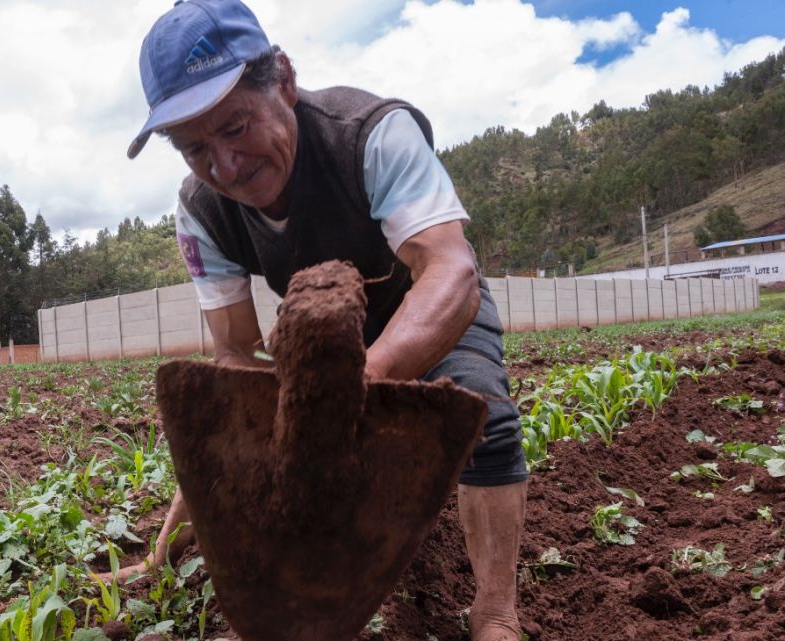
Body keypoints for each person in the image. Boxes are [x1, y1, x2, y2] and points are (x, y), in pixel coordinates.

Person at [119, 2, 528, 639]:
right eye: (195, 148)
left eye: (235, 127)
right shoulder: (202, 210)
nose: (224, 166)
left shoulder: (370, 133)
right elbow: (234, 355)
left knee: (486, 414)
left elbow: (450, 271)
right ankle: (169, 555)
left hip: (420, 305)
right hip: (320, 333)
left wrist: (361, 384)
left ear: (281, 79)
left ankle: (496, 613)